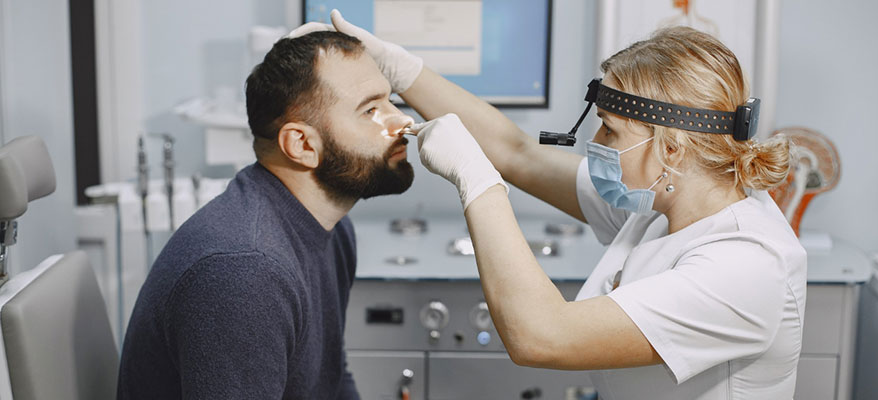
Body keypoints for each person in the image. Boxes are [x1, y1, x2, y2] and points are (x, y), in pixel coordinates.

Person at [301, 11, 808, 399]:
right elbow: (516, 153)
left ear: (672, 148)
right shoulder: (660, 203)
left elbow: (541, 337)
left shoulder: (744, 267)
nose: (597, 140)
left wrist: (473, 179)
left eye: (610, 127)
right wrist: (401, 70)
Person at [117, 31, 415, 399]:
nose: (402, 121)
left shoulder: (332, 229)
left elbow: (331, 382)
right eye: (371, 110)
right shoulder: (244, 271)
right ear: (303, 145)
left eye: (391, 101)